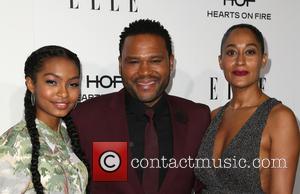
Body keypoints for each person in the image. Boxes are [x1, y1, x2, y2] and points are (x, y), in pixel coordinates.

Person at [72, 19, 210, 194]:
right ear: (120, 64)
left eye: (155, 60)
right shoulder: (86, 118)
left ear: (171, 62)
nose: (145, 72)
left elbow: (204, 186)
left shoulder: (197, 118)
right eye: (134, 62)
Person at [194, 23, 300, 193]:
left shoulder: (279, 119)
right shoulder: (214, 116)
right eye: (231, 53)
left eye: (250, 52)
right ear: (221, 61)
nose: (240, 61)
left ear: (263, 60)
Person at [0, 45, 89, 193]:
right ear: (30, 84)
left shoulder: (66, 137)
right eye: (52, 82)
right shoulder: (14, 144)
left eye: (73, 84)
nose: (64, 93)